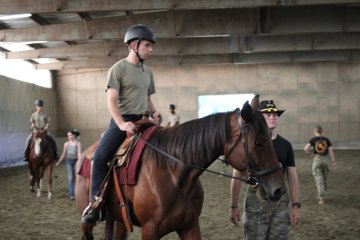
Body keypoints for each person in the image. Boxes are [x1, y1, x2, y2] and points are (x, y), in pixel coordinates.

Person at [81, 24, 161, 225]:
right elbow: (111, 100)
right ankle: (96, 204)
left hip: (144, 120)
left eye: (151, 46)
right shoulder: (118, 69)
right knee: (99, 158)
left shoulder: (148, 72)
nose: (151, 49)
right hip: (122, 121)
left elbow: (147, 99)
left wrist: (155, 112)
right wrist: (121, 124)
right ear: (134, 45)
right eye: (148, 45)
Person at [229, 100, 301, 240]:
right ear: (259, 118)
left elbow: (292, 176)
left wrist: (296, 205)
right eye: (267, 114)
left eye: (274, 113)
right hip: (256, 202)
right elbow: (236, 176)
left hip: (280, 203)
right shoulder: (249, 145)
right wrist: (233, 205)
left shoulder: (285, 145)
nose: (272, 116)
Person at [304, 125, 336, 204]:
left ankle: (321, 198)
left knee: (319, 179)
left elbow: (305, 149)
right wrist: (334, 162)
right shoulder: (327, 140)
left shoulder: (313, 139)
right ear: (321, 131)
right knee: (324, 178)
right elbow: (331, 151)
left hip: (317, 160)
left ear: (315, 131)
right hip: (325, 160)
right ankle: (321, 193)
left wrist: (310, 155)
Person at [56, 129, 82, 200]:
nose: (68, 136)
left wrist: (80, 162)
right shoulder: (66, 144)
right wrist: (59, 161)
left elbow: (79, 154)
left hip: (76, 161)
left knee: (76, 178)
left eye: (70, 135)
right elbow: (64, 154)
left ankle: (77, 193)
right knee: (70, 178)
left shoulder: (78, 143)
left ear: (74, 135)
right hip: (68, 161)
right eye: (68, 135)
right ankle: (71, 195)